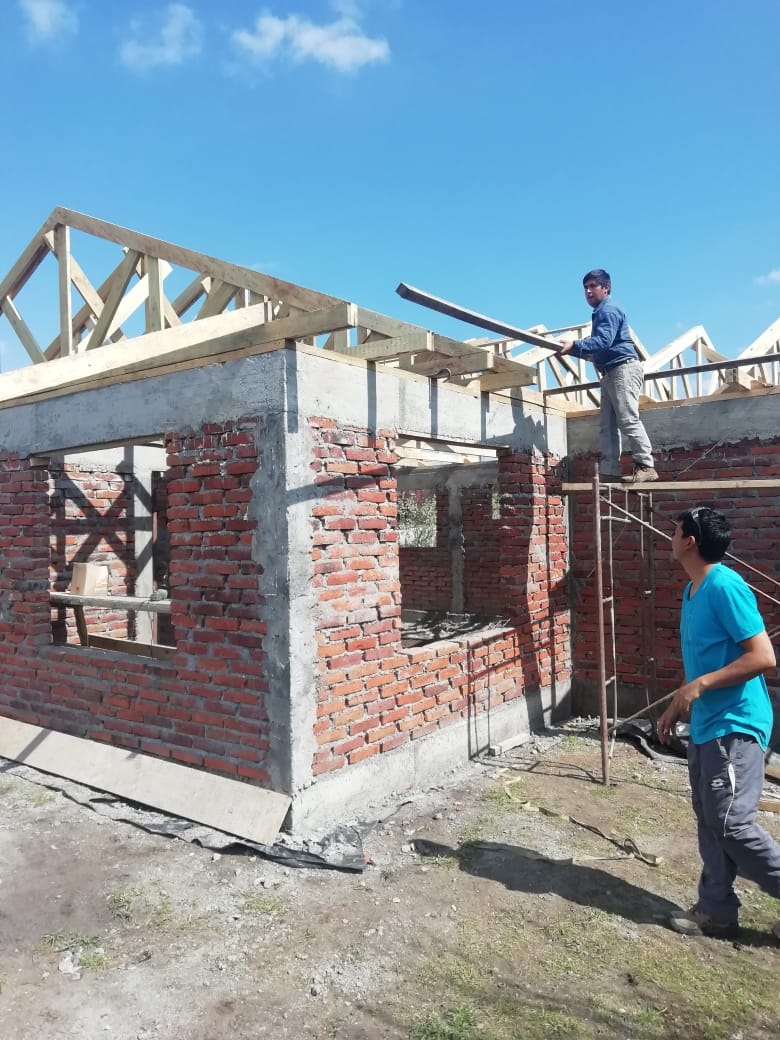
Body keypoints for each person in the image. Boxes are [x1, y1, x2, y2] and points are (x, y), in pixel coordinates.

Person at [658, 507, 779, 938]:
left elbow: (763, 656)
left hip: (737, 724)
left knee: (730, 821)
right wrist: (676, 705)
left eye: (676, 531)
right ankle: (716, 910)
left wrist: (702, 685)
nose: (671, 537)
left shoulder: (726, 586)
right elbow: (703, 662)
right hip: (708, 724)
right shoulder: (693, 590)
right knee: (711, 819)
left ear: (690, 541)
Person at [558, 270, 657, 484]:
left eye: (592, 286)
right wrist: (574, 349)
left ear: (606, 287)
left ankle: (646, 465)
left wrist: (575, 344)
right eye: (585, 287)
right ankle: (610, 470)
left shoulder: (609, 309)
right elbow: (599, 348)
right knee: (608, 426)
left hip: (622, 369)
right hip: (611, 372)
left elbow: (603, 341)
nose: (588, 291)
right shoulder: (601, 312)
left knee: (628, 419)